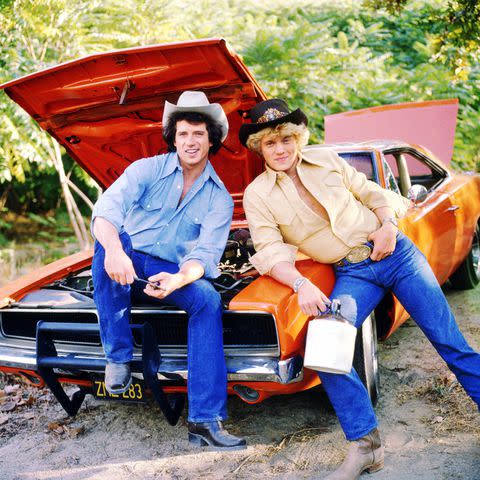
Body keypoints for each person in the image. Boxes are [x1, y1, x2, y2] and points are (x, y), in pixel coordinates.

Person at [239, 98, 480, 478]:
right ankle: (366, 446)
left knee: (448, 340)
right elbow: (268, 251)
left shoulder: (329, 162)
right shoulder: (258, 195)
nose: (280, 148)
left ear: (298, 138)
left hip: (395, 254)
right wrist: (300, 283)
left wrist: (387, 225)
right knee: (324, 349)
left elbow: (373, 194)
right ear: (259, 147)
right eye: (270, 143)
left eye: (286, 138)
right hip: (352, 274)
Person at [91, 91, 246, 450]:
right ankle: (117, 356)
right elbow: (105, 213)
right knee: (110, 238)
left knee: (207, 298)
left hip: (166, 271)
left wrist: (178, 279)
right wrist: (114, 251)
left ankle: (205, 421)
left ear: (212, 139)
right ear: (173, 138)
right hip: (123, 261)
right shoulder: (146, 169)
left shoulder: (219, 198)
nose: (190, 142)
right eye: (183, 134)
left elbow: (205, 255)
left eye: (198, 134)